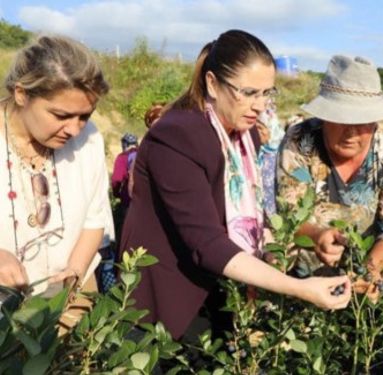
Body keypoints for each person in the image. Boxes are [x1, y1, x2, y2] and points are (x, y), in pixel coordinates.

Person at [119, 29, 350, 339]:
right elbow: (207, 243)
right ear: (213, 84)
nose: (260, 105)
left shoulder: (244, 136)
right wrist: (298, 288)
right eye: (249, 92)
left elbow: (246, 215)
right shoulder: (178, 136)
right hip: (166, 308)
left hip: (219, 295)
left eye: (268, 93)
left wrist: (313, 235)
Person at [276, 55, 383, 293]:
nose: (351, 132)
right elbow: (289, 214)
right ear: (325, 116)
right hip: (308, 282)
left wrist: (370, 268)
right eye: (341, 119)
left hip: (372, 276)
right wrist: (316, 235)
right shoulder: (300, 141)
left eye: (362, 121)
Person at [0, 35, 111, 297]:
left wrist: (75, 271)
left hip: (72, 293)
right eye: (61, 115)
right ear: (21, 94)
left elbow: (95, 219)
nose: (74, 129)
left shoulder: (90, 138)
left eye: (85, 116)